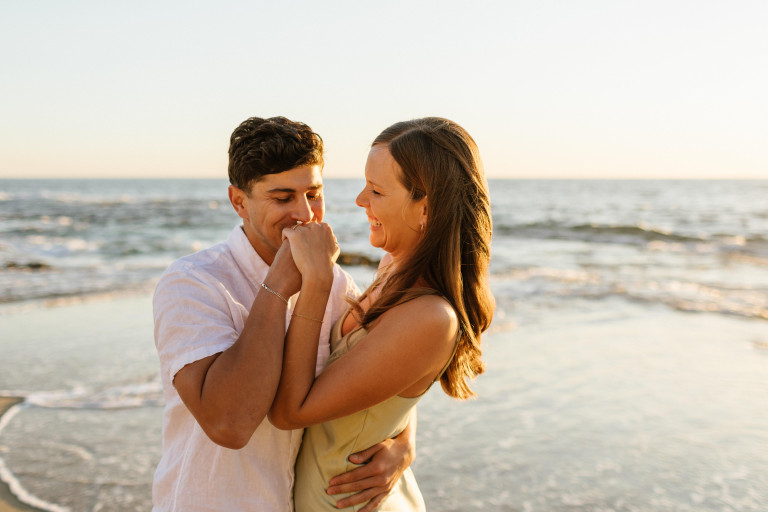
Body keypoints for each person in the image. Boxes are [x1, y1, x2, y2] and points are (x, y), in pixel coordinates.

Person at [152, 116, 415, 511]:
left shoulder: (338, 285)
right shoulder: (192, 284)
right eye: (282, 198)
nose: (305, 214)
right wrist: (277, 288)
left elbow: (385, 370)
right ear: (239, 201)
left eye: (314, 193)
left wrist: (405, 444)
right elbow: (229, 424)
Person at [269, 117, 495, 511]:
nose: (360, 199)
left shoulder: (431, 316)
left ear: (425, 207)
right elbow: (390, 387)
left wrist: (317, 283)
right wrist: (405, 442)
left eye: (376, 190)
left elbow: (291, 411)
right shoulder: (393, 266)